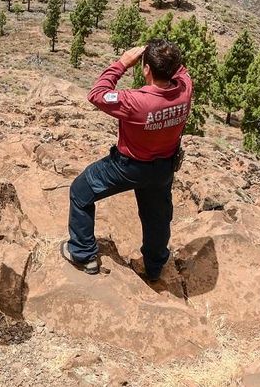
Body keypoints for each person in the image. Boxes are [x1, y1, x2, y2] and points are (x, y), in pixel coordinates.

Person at [61, 40, 193, 280]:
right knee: (157, 218)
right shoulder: (185, 89)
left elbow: (97, 94)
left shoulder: (136, 101)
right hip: (163, 168)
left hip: (127, 167)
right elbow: (181, 70)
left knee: (81, 191)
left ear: (146, 70)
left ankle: (83, 254)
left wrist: (122, 62)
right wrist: (163, 54)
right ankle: (154, 268)